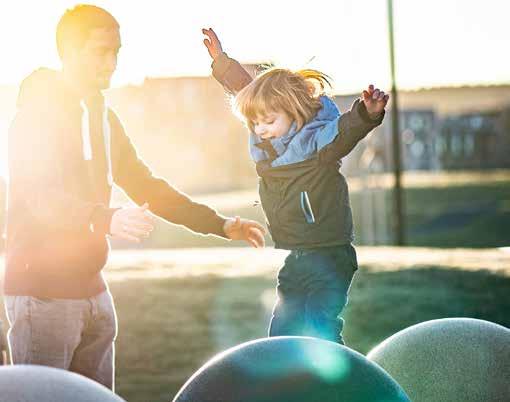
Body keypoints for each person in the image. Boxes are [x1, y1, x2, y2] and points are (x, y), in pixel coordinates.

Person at [3, 6, 265, 391]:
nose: (111, 63)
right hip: (42, 295)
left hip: (94, 291)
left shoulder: (103, 117)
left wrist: (220, 224)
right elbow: (39, 196)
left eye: (116, 52)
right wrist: (105, 218)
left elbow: (145, 185)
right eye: (100, 52)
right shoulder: (33, 117)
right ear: (68, 52)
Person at [202, 28, 388, 344]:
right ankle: (285, 372)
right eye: (255, 123)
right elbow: (247, 90)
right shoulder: (267, 141)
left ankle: (340, 373)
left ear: (295, 113)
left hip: (329, 255)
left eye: (268, 122)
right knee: (283, 330)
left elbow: (344, 132)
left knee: (320, 326)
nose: (260, 129)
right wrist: (221, 62)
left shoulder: (317, 143)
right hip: (296, 256)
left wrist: (365, 114)